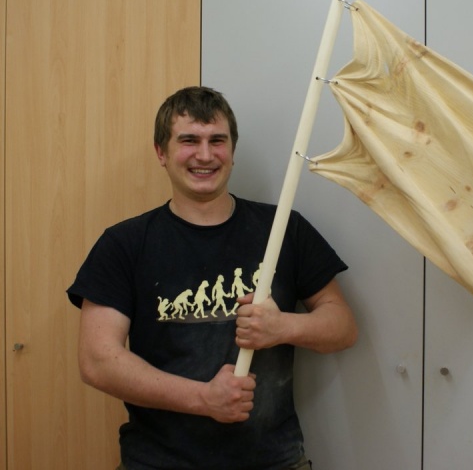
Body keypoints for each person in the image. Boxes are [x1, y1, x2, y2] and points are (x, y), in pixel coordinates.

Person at [67, 86, 358, 470]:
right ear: (161, 152)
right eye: (189, 140)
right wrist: (204, 399)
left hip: (273, 461)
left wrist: (283, 327)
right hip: (157, 463)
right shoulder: (125, 244)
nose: (205, 155)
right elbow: (97, 360)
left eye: (217, 141)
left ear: (232, 151)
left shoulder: (283, 229)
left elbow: (343, 327)